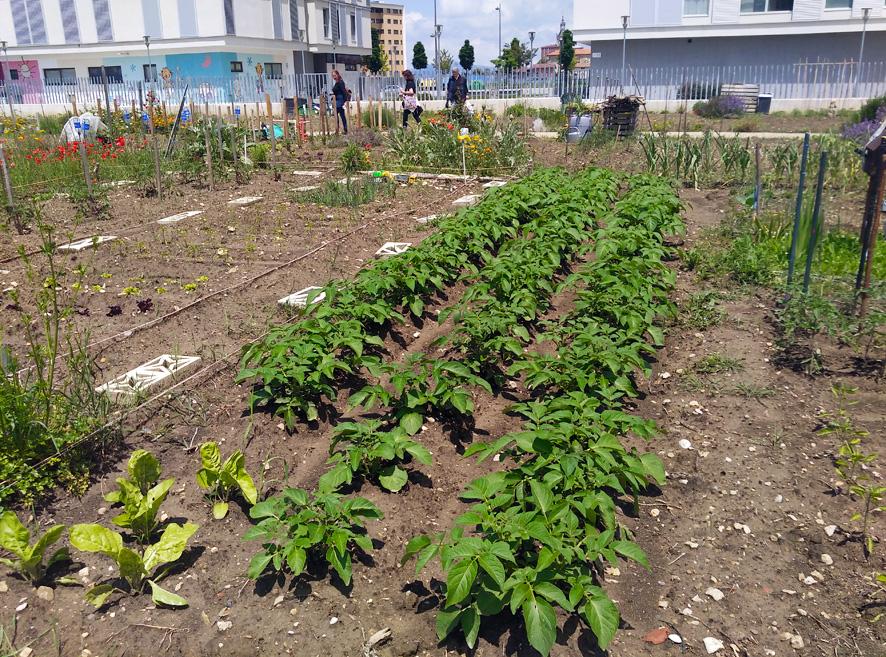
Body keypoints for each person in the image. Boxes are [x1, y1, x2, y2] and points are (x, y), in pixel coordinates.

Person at [331, 69, 348, 135]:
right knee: (340, 115)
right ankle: (342, 129)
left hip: (340, 100)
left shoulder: (340, 82)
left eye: (335, 75)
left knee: (338, 115)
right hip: (337, 100)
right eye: (333, 76)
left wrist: (345, 101)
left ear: (338, 75)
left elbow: (343, 92)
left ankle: (341, 130)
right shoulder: (337, 82)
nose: (334, 77)